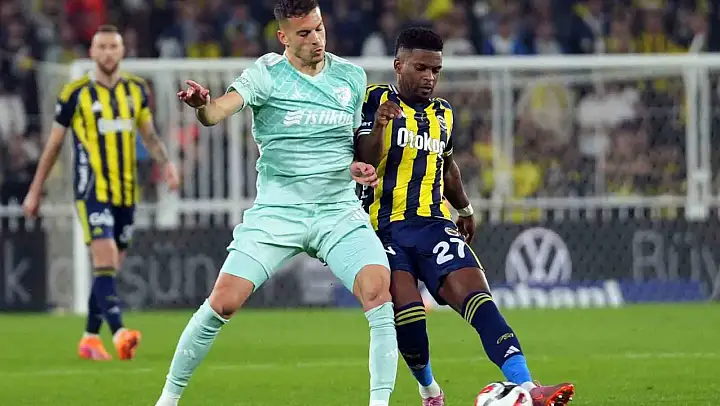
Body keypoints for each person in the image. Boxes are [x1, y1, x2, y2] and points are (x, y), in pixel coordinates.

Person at [153, 1, 398, 405]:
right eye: (304, 33)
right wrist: (202, 107)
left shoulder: (351, 77)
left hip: (337, 210)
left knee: (378, 294)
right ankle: (167, 399)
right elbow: (216, 112)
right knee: (223, 303)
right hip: (278, 212)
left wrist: (357, 165)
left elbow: (353, 145)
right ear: (283, 37)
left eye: (319, 28)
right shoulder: (266, 75)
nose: (316, 39)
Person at [355, 27, 575, 406]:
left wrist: (466, 209)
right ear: (398, 65)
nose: (429, 77)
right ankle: (429, 389)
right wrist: (379, 126)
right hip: (384, 229)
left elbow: (448, 166)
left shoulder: (443, 113)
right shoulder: (374, 99)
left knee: (478, 298)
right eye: (421, 68)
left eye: (436, 70)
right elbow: (363, 158)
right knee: (409, 317)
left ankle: (527, 386)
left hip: (434, 225)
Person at [23, 25, 180, 360]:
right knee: (105, 257)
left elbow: (149, 135)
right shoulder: (75, 93)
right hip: (91, 189)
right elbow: (53, 145)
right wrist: (35, 191)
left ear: (122, 51)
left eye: (113, 46)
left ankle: (90, 339)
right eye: (102, 47)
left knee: (109, 266)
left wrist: (167, 164)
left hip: (126, 191)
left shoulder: (136, 90)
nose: (108, 52)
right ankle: (120, 334)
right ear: (92, 52)